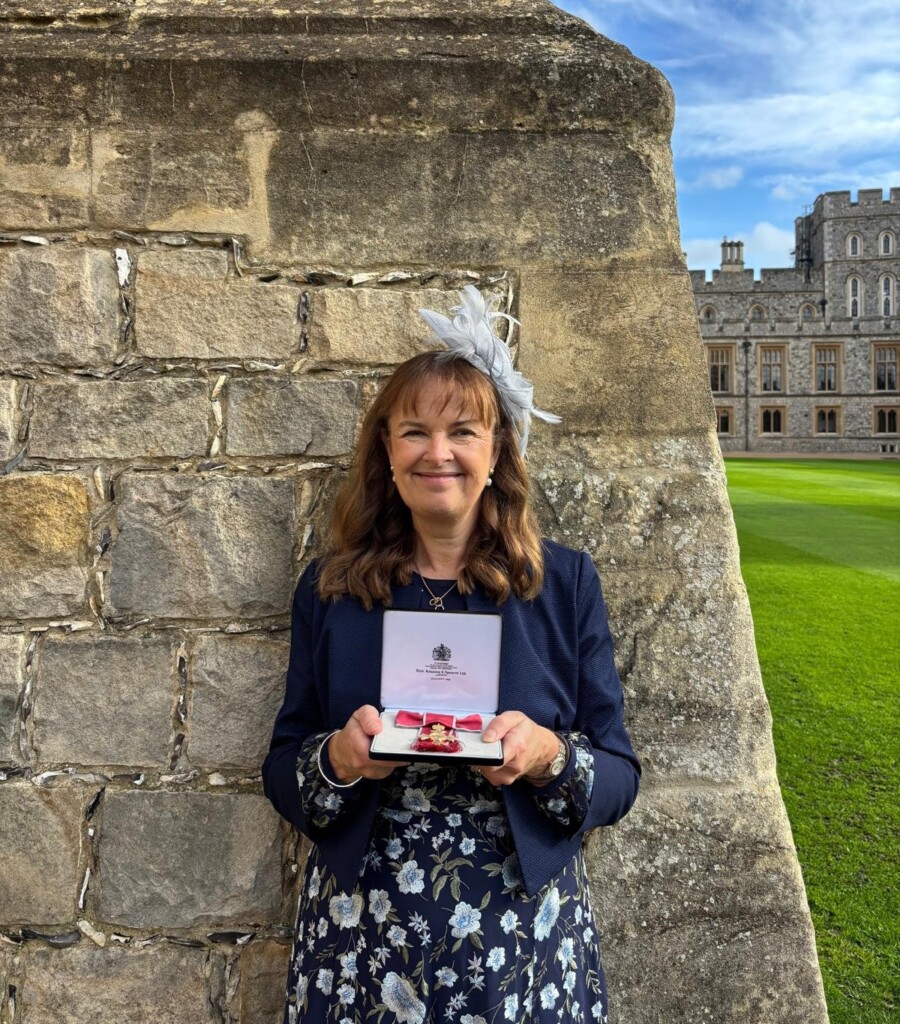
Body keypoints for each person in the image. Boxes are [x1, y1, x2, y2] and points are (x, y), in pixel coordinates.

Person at [262, 286, 640, 1024]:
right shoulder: (332, 589)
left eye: (463, 431)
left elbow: (620, 777)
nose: (438, 454)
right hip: (361, 936)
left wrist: (548, 756)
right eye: (415, 432)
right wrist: (337, 759)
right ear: (388, 453)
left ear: (497, 451)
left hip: (522, 941)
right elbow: (282, 767)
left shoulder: (563, 584)